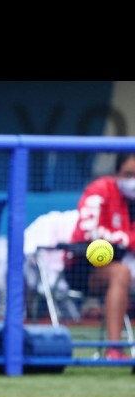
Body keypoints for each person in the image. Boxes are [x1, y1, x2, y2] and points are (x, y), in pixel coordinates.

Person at [64, 151, 135, 361]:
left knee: (122, 272)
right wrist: (127, 238)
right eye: (128, 174)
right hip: (84, 267)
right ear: (117, 173)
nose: (133, 181)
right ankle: (114, 350)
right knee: (120, 273)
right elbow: (88, 231)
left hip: (125, 262)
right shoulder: (100, 189)